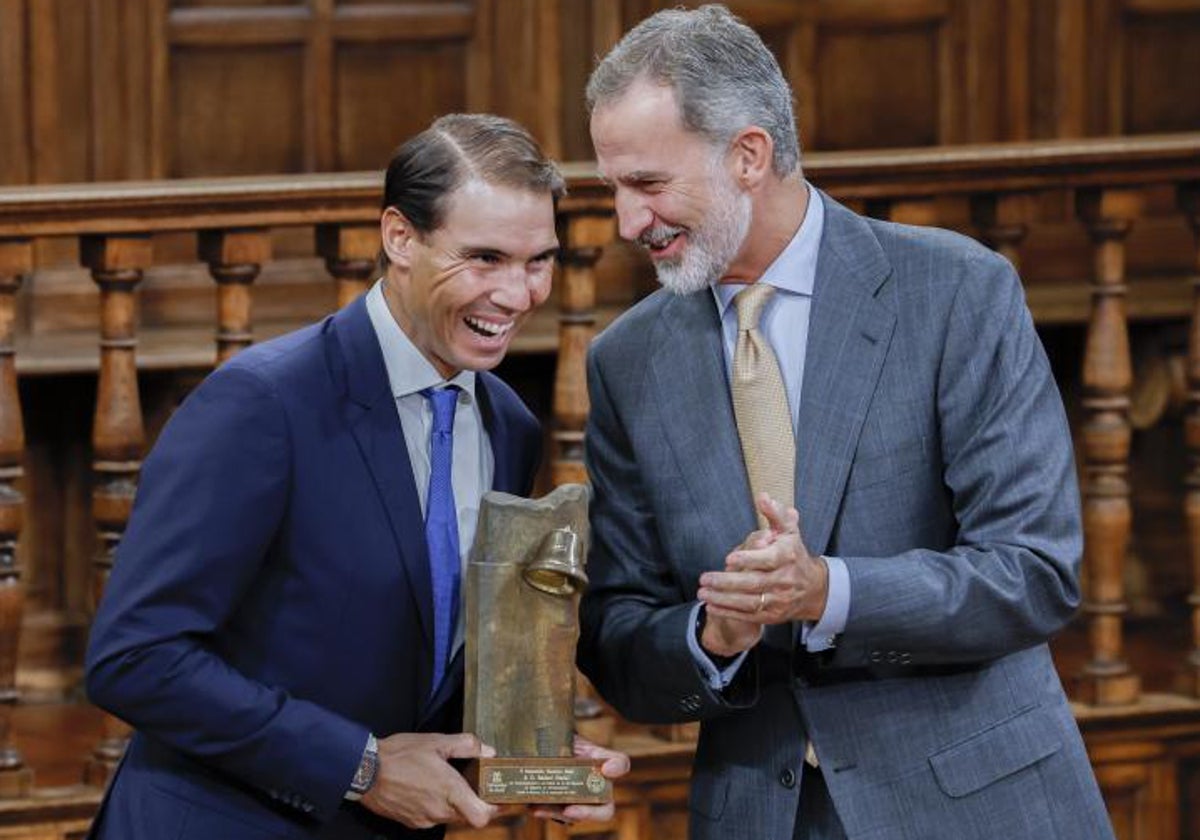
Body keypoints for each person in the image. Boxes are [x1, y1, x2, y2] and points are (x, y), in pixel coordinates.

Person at [575, 6, 1114, 840]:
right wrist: (712, 636)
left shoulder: (958, 292)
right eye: (612, 187)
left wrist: (828, 592)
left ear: (748, 155)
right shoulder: (625, 361)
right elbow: (617, 637)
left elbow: (1033, 572)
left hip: (976, 806)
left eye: (647, 184)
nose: (626, 221)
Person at [85, 113, 628, 840]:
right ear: (399, 237)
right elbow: (135, 658)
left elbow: (424, 652)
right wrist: (360, 767)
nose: (519, 294)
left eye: (539, 261)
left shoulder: (508, 425)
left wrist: (537, 757)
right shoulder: (263, 404)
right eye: (485, 258)